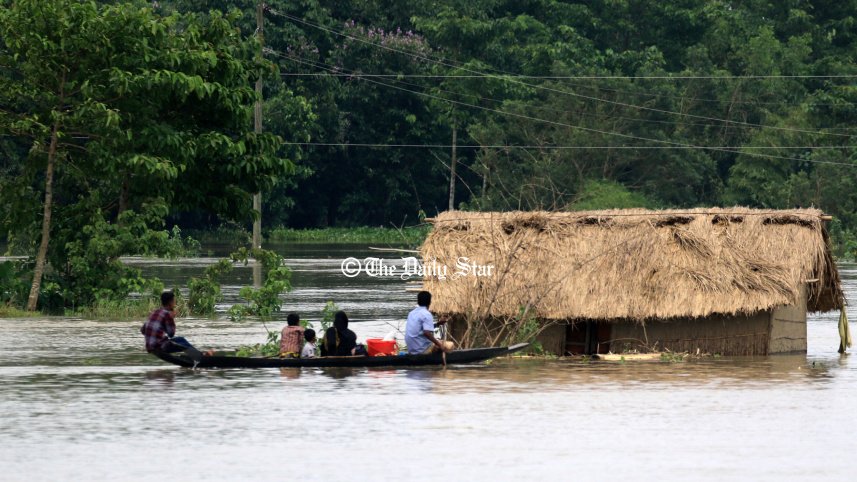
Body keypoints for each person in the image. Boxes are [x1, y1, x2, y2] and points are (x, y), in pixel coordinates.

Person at [141, 291, 206, 354]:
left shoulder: (154, 312)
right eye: (174, 301)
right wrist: (171, 318)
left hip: (149, 346)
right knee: (186, 345)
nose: (174, 304)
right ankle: (201, 356)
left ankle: (199, 354)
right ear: (170, 303)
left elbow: (143, 330)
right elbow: (171, 334)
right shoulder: (167, 314)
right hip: (159, 346)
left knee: (181, 339)